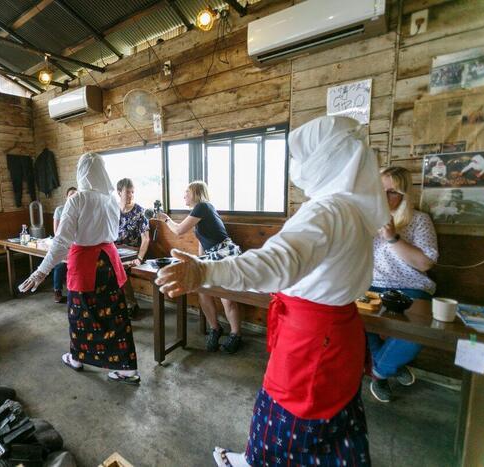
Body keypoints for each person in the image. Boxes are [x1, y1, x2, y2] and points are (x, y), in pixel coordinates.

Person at [156, 116, 389, 467]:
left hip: (311, 346)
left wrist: (204, 270)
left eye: (303, 157)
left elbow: (276, 264)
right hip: (339, 335)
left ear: (324, 161)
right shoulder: (354, 210)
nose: (297, 166)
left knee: (290, 427)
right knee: (330, 432)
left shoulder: (328, 211)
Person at [20, 153, 140, 385]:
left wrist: (41, 271)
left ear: (82, 172)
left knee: (80, 314)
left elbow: (61, 242)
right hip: (109, 261)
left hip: (86, 263)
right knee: (115, 314)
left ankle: (77, 357)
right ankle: (126, 368)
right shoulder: (111, 199)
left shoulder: (77, 200)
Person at [368, 166, 438, 403]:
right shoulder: (366, 220)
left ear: (404, 195)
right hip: (370, 286)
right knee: (350, 320)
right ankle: (390, 365)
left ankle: (378, 372)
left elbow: (425, 263)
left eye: (392, 192)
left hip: (410, 287)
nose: (384, 197)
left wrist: (392, 238)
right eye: (380, 190)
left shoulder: (419, 220)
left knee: (418, 329)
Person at [156, 182, 243, 353]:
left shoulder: (203, 206)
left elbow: (179, 230)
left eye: (186, 192)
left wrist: (166, 219)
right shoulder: (200, 211)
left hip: (225, 254)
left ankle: (236, 334)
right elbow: (202, 241)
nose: (184, 196)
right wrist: (198, 260)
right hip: (211, 254)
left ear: (196, 193)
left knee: (227, 296)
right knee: (202, 290)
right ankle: (215, 328)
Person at [114, 178, 150, 318]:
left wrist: (140, 258)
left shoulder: (140, 212)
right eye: (127, 192)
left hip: (133, 252)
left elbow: (146, 238)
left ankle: (131, 304)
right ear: (119, 192)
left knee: (119, 267)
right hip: (115, 249)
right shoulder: (113, 209)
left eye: (132, 192)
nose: (130, 195)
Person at [51, 186, 78, 303]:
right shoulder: (60, 210)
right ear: (66, 197)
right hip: (62, 242)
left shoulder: (79, 209)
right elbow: (56, 232)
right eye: (71, 194)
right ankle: (57, 291)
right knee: (60, 264)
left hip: (75, 243)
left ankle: (74, 292)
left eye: (75, 194)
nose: (73, 196)